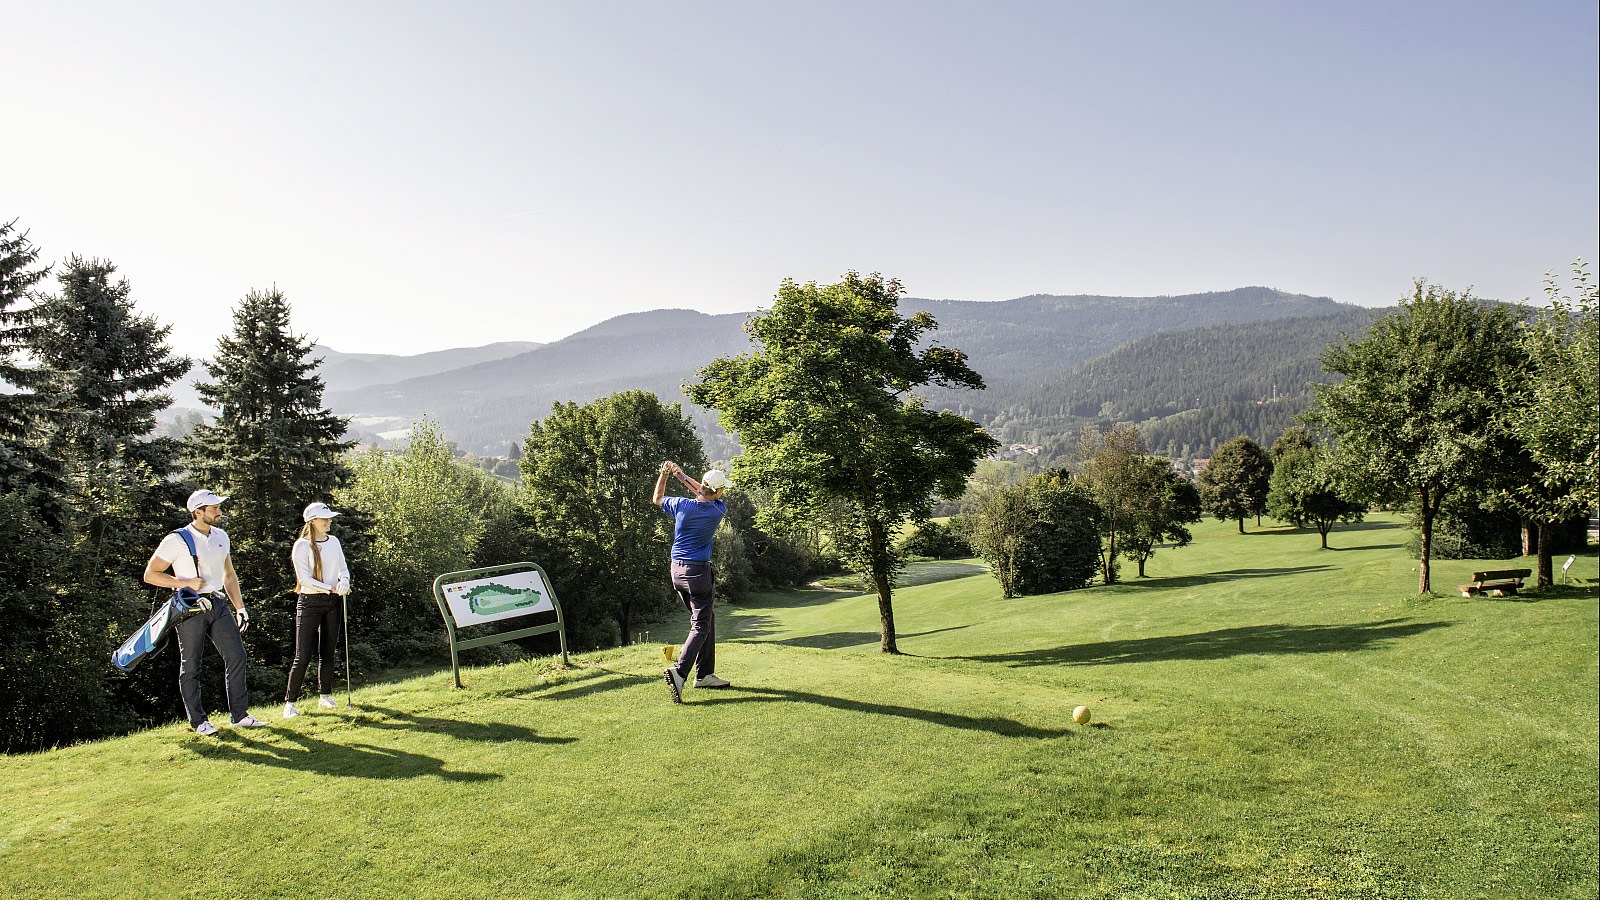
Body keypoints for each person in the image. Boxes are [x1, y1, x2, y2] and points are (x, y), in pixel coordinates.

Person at [142, 489, 265, 735]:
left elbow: (229, 575)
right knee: (191, 666)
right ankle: (199, 722)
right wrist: (183, 582)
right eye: (214, 509)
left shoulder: (221, 536)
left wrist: (240, 607)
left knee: (237, 656)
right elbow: (150, 574)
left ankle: (239, 716)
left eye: (219, 507)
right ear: (198, 512)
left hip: (218, 604)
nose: (220, 512)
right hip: (191, 606)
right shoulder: (176, 539)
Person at [653, 461, 733, 703]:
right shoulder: (718, 510)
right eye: (723, 489)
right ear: (718, 491)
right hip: (698, 572)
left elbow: (657, 498)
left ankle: (705, 674)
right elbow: (702, 492)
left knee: (707, 619)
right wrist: (681, 475)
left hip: (676, 570)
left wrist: (666, 474)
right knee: (700, 624)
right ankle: (680, 672)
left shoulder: (680, 505)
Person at [283, 502, 351, 718]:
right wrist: (330, 588)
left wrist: (345, 582)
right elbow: (304, 579)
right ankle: (290, 703)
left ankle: (325, 696)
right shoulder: (301, 546)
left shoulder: (334, 542)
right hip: (310, 603)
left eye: (329, 518)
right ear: (312, 521)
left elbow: (343, 568)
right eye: (325, 518)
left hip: (333, 602)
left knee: (328, 653)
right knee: (302, 656)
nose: (328, 521)